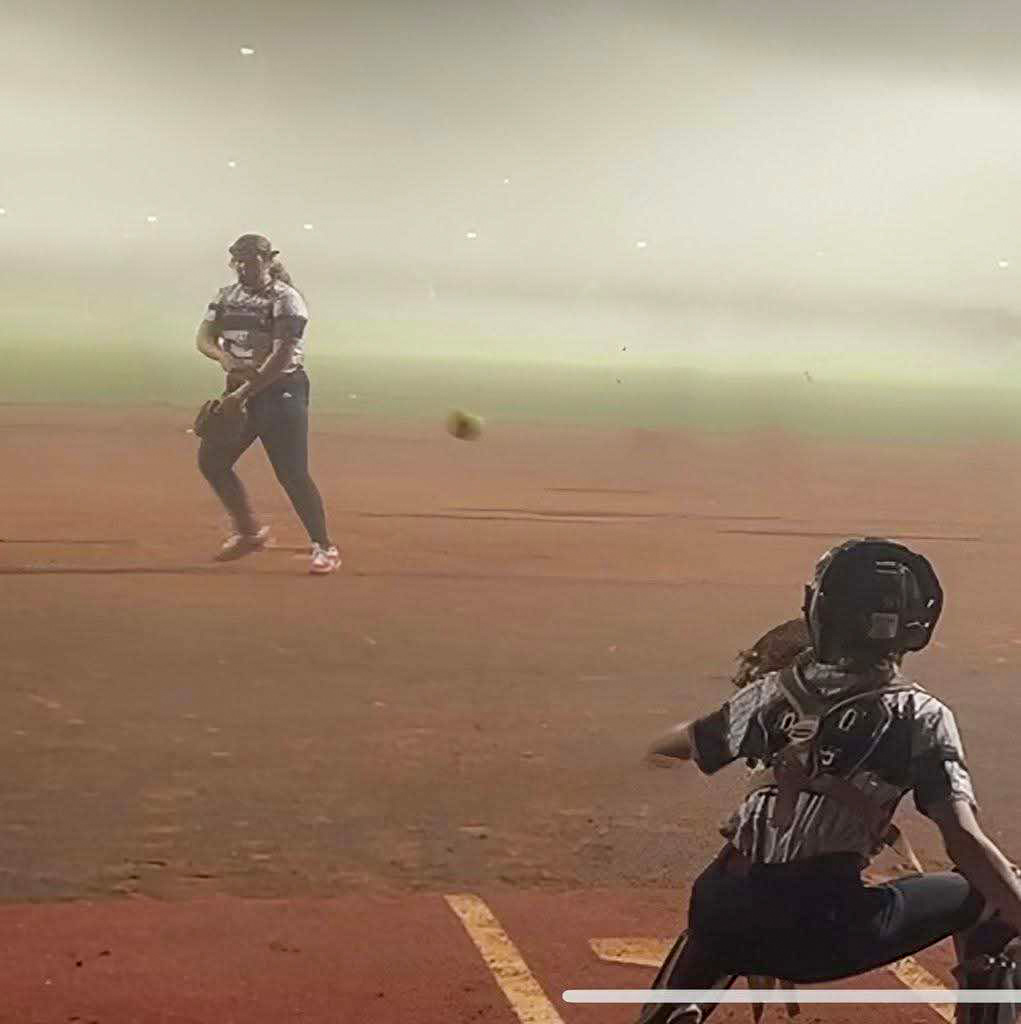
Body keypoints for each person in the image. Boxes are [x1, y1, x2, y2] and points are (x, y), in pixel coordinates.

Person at [640, 538, 1021, 1024]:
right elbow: (963, 840)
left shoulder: (769, 693)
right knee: (992, 893)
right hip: (820, 931)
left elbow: (674, 745)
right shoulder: (921, 715)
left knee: (721, 908)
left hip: (721, 911)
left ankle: (672, 1008)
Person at [195, 233, 340, 574]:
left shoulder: (286, 299)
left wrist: (240, 395)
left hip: (281, 391)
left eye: (252, 260)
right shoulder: (226, 296)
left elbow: (282, 356)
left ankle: (325, 547)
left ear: (268, 260)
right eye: (239, 261)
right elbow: (203, 337)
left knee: (291, 473)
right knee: (212, 461)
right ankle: (249, 533)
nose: (244, 267)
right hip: (240, 390)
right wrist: (222, 357)